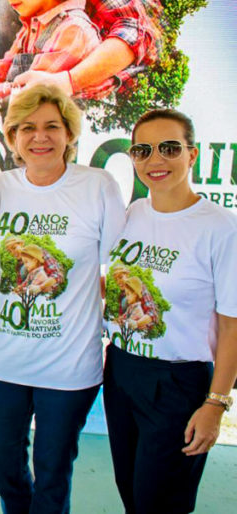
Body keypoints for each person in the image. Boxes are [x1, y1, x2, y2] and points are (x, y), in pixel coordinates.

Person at [0, 84, 126, 513]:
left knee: (52, 470)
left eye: (51, 127)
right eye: (27, 128)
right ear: (12, 138)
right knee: (4, 464)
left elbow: (117, 271)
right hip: (5, 360)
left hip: (69, 367)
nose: (39, 137)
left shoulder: (98, 185)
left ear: (69, 134)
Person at [103, 109, 237, 513]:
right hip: (122, 371)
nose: (155, 160)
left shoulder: (220, 228)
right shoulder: (132, 215)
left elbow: (232, 327)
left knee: (160, 503)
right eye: (143, 151)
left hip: (179, 384)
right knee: (131, 492)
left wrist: (215, 404)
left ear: (192, 155)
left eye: (169, 148)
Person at [0, 0, 163, 101]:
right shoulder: (24, 25)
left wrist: (68, 81)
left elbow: (135, 30)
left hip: (88, 82)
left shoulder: (74, 27)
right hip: (23, 89)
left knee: (0, 12)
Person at [0, 0, 103, 105]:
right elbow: (1, 71)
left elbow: (27, 97)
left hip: (59, 125)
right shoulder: (31, 25)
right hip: (27, 107)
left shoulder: (72, 29)